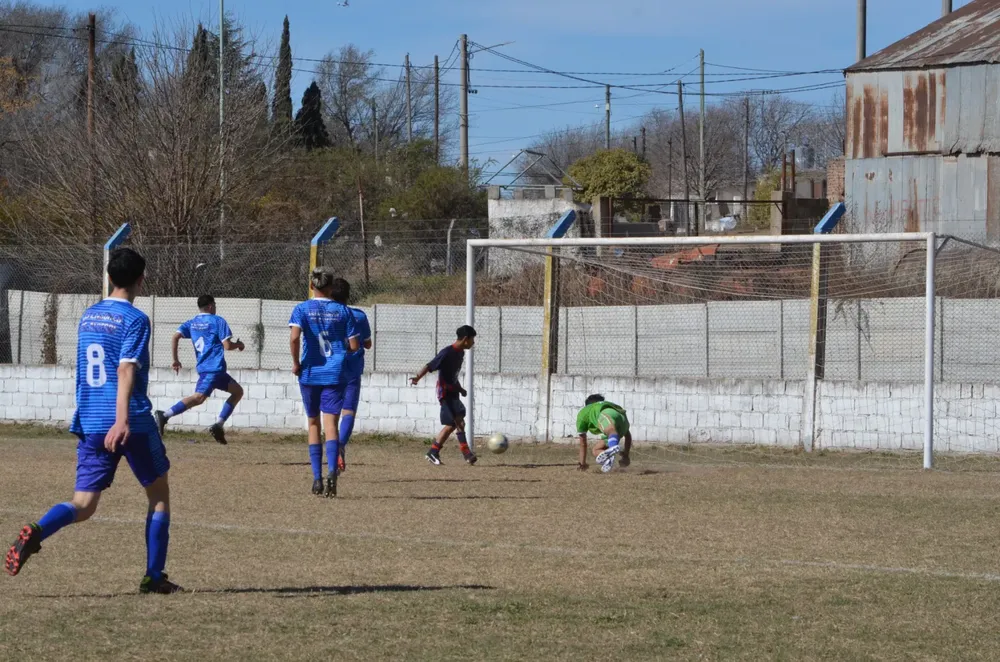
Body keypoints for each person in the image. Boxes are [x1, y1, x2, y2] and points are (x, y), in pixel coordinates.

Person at [4, 248, 181, 593]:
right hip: (129, 420)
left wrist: (89, 418)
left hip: (91, 419)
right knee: (159, 496)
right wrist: (122, 419)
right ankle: (153, 577)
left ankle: (38, 531)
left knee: (83, 504)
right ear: (141, 279)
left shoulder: (88, 316)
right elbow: (126, 368)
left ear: (109, 278)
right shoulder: (135, 319)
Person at [289, 270, 359, 497]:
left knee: (312, 423)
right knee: (331, 424)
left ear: (311, 285)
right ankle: (332, 473)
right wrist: (340, 353)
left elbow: (294, 337)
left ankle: (317, 478)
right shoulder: (343, 311)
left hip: (310, 372)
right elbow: (355, 345)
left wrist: (296, 363)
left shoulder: (301, 309)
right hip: (334, 374)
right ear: (331, 287)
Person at [155, 295, 245, 444]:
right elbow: (227, 346)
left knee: (237, 392)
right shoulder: (218, 321)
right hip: (212, 369)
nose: (215, 307)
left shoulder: (192, 322)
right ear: (210, 306)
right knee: (198, 398)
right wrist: (239, 345)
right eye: (215, 304)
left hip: (214, 371)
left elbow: (175, 336)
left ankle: (218, 425)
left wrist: (175, 359)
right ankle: (164, 415)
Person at [410, 325, 478, 466]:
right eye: (472, 339)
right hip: (445, 392)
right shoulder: (447, 352)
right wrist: (417, 377)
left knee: (456, 423)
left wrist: (460, 389)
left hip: (453, 391)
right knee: (455, 423)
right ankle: (459, 453)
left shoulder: (460, 353)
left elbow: (453, 375)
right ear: (466, 339)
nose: (473, 342)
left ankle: (442, 452)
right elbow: (430, 366)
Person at [330, 283, 372, 472]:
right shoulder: (359, 316)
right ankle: (340, 445)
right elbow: (368, 344)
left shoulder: (326, 316)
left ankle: (331, 450)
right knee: (348, 412)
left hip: (330, 370)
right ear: (349, 295)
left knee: (331, 414)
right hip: (353, 370)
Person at [576, 394, 632, 473]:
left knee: (610, 430)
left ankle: (613, 447)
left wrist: (582, 464)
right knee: (596, 450)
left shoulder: (585, 412)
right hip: (622, 416)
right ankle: (609, 460)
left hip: (606, 414)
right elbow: (628, 436)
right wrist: (626, 455)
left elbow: (583, 443)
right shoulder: (608, 404)